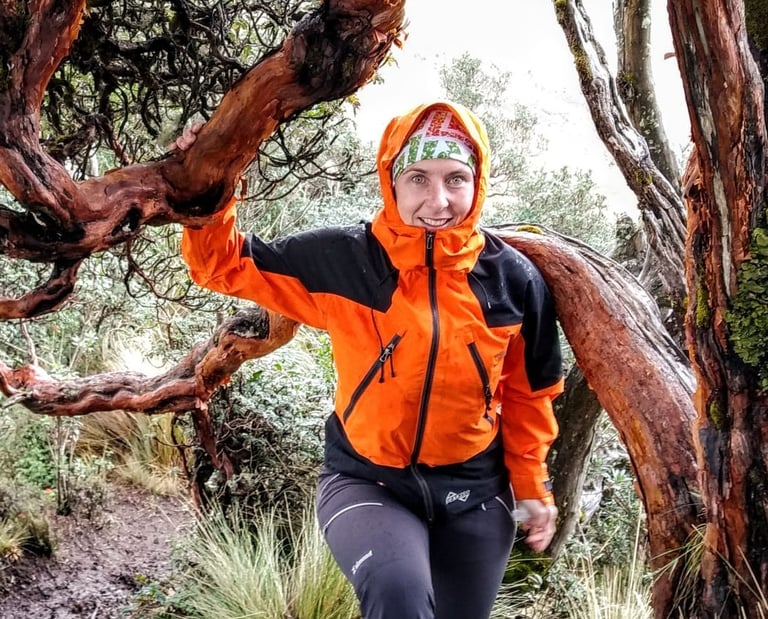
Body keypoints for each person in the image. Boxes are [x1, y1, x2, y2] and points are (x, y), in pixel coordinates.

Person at [178, 101, 564, 619]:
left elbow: (529, 395)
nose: (438, 200)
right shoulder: (345, 261)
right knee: (398, 594)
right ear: (391, 180)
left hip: (476, 491)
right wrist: (211, 169)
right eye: (418, 178)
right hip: (368, 480)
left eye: (456, 178)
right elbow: (220, 264)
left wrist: (532, 486)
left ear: (478, 183)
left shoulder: (513, 280)